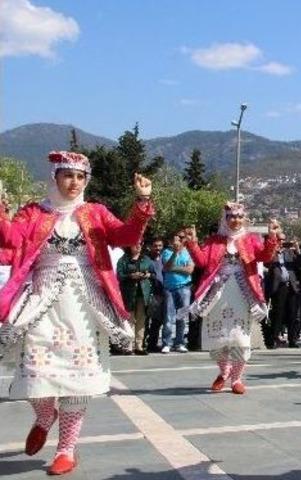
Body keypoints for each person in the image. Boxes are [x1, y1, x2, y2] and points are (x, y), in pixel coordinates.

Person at [0, 151, 153, 475]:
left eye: (81, 177)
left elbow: (126, 235)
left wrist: (141, 203)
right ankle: (44, 415)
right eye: (68, 175)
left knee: (77, 380)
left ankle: (66, 449)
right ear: (54, 176)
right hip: (41, 302)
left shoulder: (94, 213)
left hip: (84, 306)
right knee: (34, 371)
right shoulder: (34, 212)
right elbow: (11, 238)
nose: (74, 182)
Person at [183, 203, 280, 394]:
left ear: (244, 218)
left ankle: (236, 379)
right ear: (225, 219)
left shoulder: (251, 239)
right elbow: (202, 262)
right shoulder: (215, 240)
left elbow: (265, 257)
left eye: (238, 217)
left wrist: (272, 237)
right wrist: (192, 243)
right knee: (218, 338)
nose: (235, 220)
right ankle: (224, 371)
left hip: (242, 292)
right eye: (231, 217)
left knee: (241, 339)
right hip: (218, 293)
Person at [117, 242, 156, 355]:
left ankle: (139, 346)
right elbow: (119, 275)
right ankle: (129, 346)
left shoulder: (146, 259)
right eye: (135, 244)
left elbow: (154, 274)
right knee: (129, 320)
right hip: (129, 293)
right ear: (130, 245)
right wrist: (130, 276)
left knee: (141, 320)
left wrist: (148, 275)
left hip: (143, 293)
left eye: (140, 244)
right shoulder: (123, 260)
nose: (138, 246)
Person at [265, 234, 301, 348]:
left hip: (291, 286)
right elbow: (266, 263)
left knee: (292, 314)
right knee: (278, 314)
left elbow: (300, 265)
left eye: (283, 240)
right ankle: (274, 339)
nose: (281, 242)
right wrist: (273, 250)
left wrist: (298, 251)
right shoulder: (271, 253)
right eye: (279, 239)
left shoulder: (289, 253)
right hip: (279, 287)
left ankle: (292, 340)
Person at [161, 230, 194, 353]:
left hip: (184, 287)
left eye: (181, 239)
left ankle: (179, 342)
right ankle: (167, 343)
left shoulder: (187, 252)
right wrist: (174, 253)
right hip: (170, 288)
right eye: (176, 239)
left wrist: (175, 268)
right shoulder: (167, 252)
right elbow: (167, 267)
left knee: (182, 317)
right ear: (171, 241)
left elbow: (190, 270)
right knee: (169, 317)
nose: (179, 241)